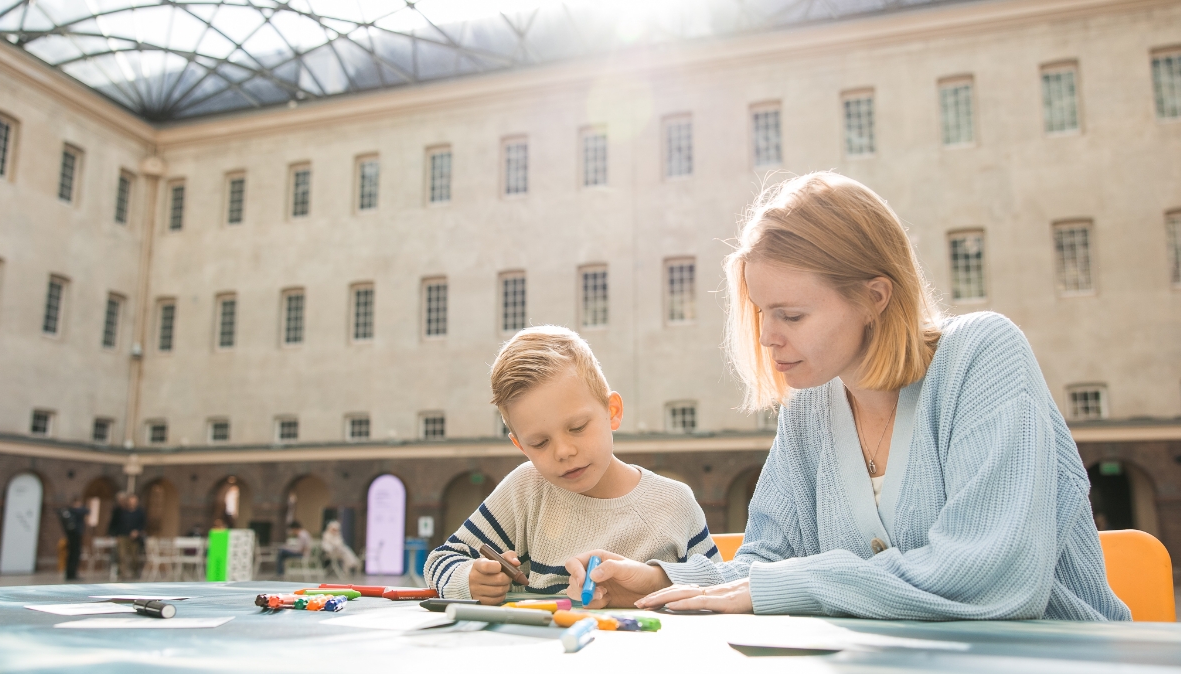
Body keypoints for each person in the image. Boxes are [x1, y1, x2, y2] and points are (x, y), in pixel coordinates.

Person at [563, 172, 1131, 621]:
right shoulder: (809, 404)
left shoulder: (984, 356)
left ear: (875, 296)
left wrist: (787, 587)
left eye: (792, 314)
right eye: (763, 313)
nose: (767, 336)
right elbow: (769, 563)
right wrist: (665, 579)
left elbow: (994, 573)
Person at [424, 325, 720, 604]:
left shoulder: (674, 503)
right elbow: (441, 560)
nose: (563, 452)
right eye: (540, 443)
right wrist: (468, 580)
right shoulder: (525, 490)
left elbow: (722, 587)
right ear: (521, 447)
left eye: (577, 427)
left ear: (612, 411)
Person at [57, 496, 88, 581]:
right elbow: (85, 511)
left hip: (76, 535)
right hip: (73, 535)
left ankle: (72, 573)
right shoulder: (72, 512)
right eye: (78, 504)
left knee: (75, 554)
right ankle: (70, 574)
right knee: (73, 554)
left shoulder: (73, 512)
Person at [116, 493, 146, 580]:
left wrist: (137, 531)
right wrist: (116, 535)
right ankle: (123, 574)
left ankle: (135, 573)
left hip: (134, 538)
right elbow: (118, 524)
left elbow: (143, 524)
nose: (132, 503)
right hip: (123, 535)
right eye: (131, 501)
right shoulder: (123, 512)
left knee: (134, 556)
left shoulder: (140, 512)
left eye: (134, 501)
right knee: (122, 555)